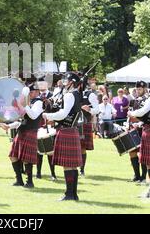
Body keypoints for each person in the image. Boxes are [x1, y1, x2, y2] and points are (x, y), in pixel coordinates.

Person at [43, 72, 83, 201]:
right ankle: (73, 194)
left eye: (66, 81)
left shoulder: (70, 95)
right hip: (72, 130)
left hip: (66, 131)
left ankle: (69, 194)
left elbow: (63, 114)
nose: (64, 83)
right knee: (72, 165)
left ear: (71, 82)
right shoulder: (77, 94)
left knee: (68, 165)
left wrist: (48, 116)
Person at [1, 83, 42, 188]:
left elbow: (33, 116)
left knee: (27, 158)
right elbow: (21, 121)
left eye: (32, 92)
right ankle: (19, 180)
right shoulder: (26, 103)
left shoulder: (38, 103)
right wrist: (9, 126)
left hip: (30, 131)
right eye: (29, 93)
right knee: (13, 156)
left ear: (37, 92)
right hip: (21, 131)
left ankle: (30, 181)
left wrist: (25, 106)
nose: (30, 94)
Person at [127, 81, 148, 182]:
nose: (138, 91)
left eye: (140, 89)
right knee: (132, 152)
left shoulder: (147, 100)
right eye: (137, 89)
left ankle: (143, 177)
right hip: (133, 128)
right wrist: (128, 125)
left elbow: (147, 116)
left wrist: (140, 124)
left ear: (144, 89)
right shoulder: (134, 100)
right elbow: (130, 114)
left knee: (142, 153)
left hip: (142, 128)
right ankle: (136, 175)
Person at [79, 75, 100, 176]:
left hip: (84, 123)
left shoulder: (90, 94)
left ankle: (81, 170)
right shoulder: (71, 94)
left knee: (82, 147)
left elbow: (98, 109)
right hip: (72, 124)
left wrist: (90, 110)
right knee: (75, 147)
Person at [37, 81, 56, 180]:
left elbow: (56, 110)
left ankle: (53, 173)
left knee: (50, 151)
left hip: (50, 125)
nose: (41, 86)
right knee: (38, 151)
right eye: (39, 84)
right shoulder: (36, 96)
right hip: (39, 125)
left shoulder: (53, 95)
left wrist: (52, 121)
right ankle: (38, 173)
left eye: (43, 84)